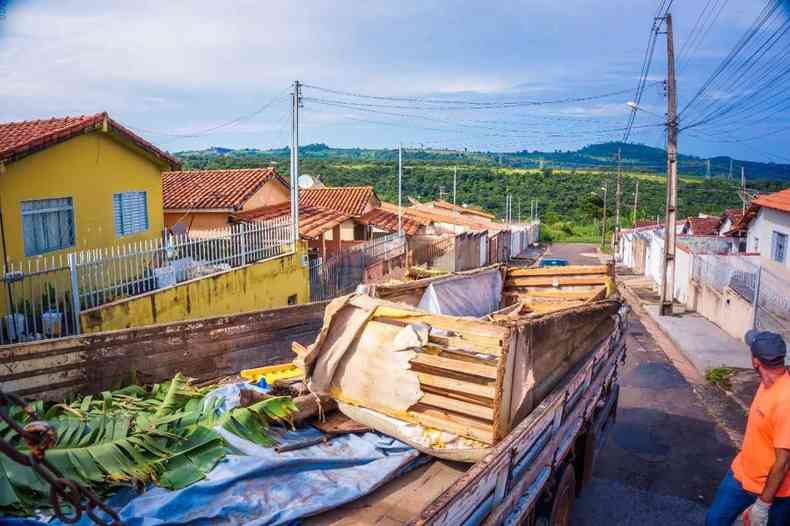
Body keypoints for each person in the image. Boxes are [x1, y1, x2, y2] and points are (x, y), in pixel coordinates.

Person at [706, 330, 790, 526]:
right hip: (742, 475)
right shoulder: (768, 382)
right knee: (714, 521)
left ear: (755, 361)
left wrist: (763, 505)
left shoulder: (786, 401)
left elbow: (784, 461)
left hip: (773, 492)